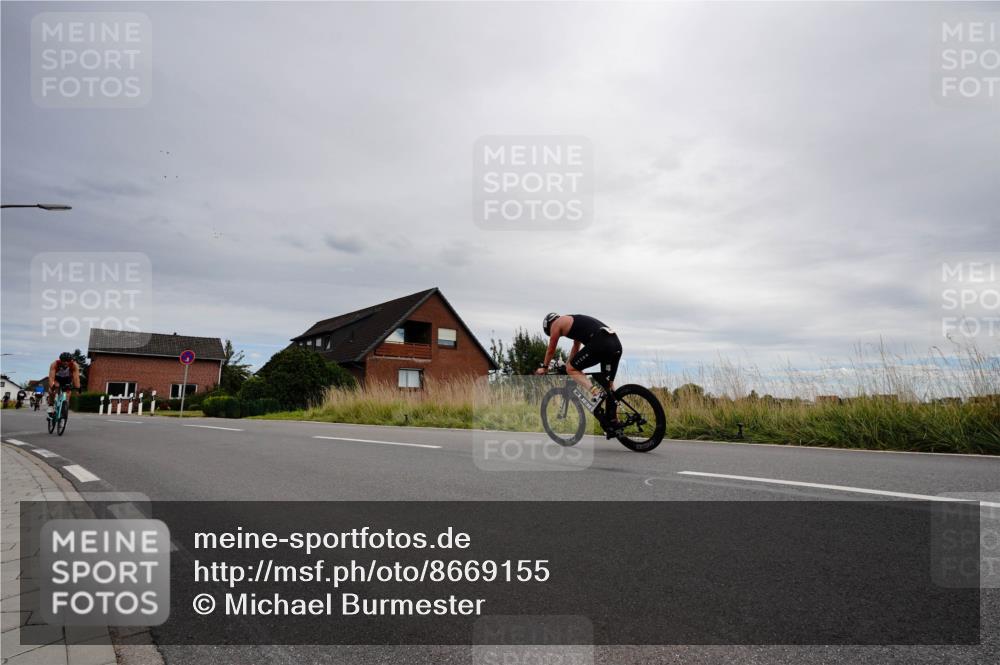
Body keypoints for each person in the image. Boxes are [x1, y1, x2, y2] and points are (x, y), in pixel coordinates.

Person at [535, 313, 623, 396]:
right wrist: (567, 366)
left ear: (549, 325)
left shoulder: (556, 324)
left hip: (601, 343)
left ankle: (596, 393)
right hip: (615, 345)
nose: (553, 334)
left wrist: (545, 367)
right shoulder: (574, 321)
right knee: (608, 387)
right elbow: (576, 347)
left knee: (571, 369)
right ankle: (614, 410)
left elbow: (551, 349)